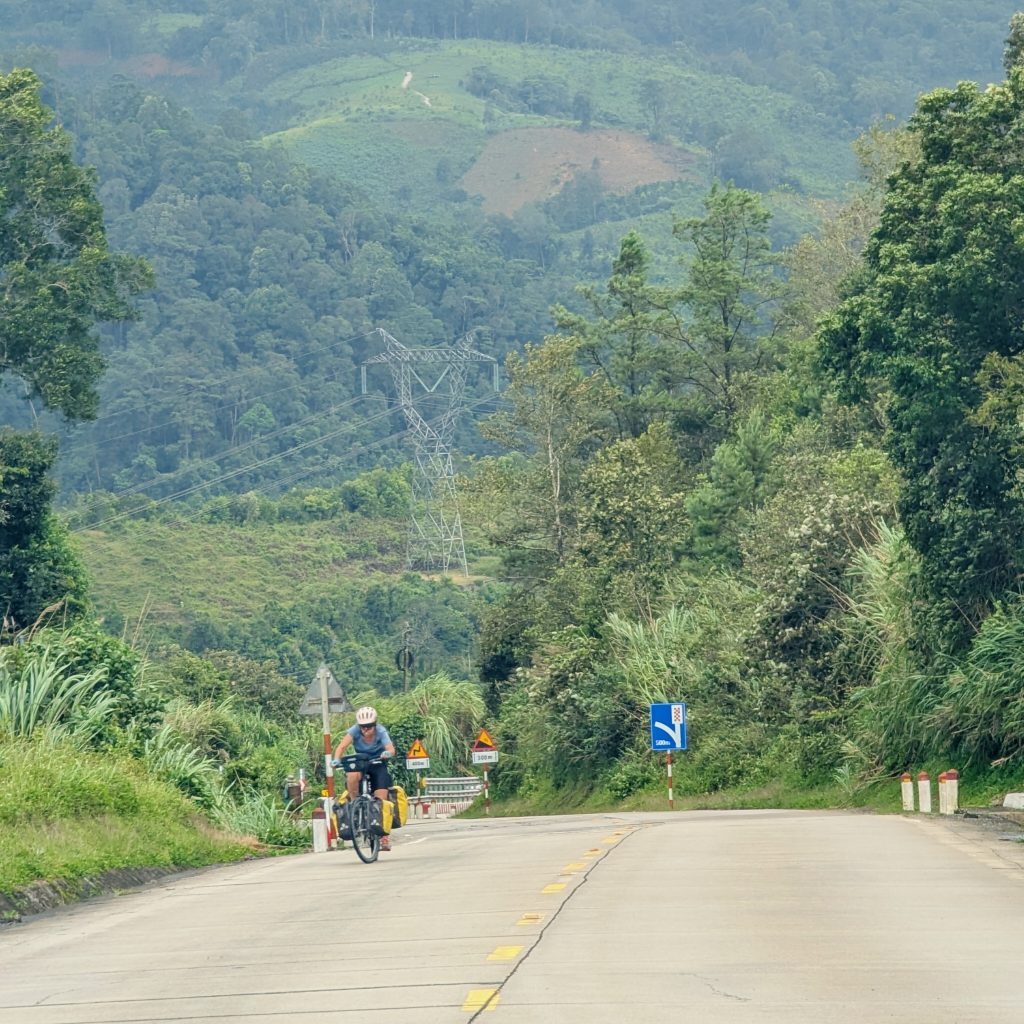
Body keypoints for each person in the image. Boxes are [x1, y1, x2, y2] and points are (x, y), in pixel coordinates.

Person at [333, 705, 396, 850]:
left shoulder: (381, 731)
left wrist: (388, 754)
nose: (365, 730)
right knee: (351, 775)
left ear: (374, 725)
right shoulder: (354, 731)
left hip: (378, 762)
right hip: (361, 762)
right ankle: (355, 804)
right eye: (362, 727)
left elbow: (391, 748)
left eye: (368, 727)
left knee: (381, 797)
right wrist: (336, 759)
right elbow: (341, 747)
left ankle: (384, 837)